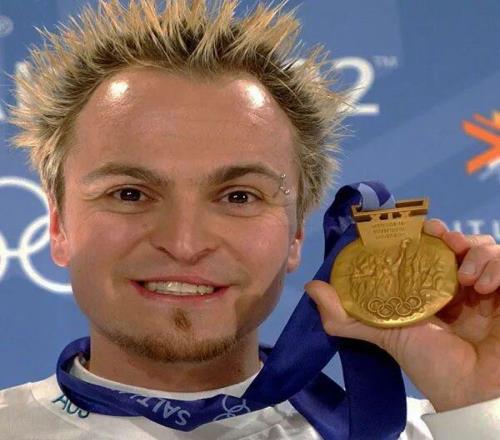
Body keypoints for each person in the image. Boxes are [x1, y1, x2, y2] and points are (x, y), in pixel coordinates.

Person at [1, 1, 499, 438]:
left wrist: (480, 404)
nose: (184, 243)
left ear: (297, 232)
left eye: (239, 197)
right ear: (58, 226)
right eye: (129, 194)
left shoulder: (438, 431)